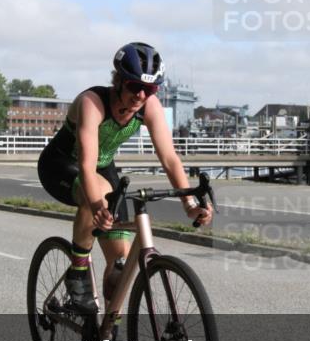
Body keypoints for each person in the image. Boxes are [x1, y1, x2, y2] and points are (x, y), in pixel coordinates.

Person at [37, 42, 212, 317]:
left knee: (120, 261)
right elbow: (86, 163)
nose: (141, 95)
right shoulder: (92, 103)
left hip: (103, 167)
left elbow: (169, 159)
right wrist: (97, 207)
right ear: (118, 80)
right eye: (134, 86)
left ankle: (109, 332)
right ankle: (78, 270)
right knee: (101, 192)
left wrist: (189, 203)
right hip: (61, 165)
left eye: (151, 89)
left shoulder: (148, 106)